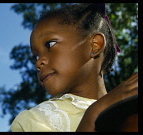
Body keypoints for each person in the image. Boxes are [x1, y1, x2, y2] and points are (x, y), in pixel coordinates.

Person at [10, 3, 138, 132]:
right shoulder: (33, 120)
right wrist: (94, 113)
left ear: (95, 45)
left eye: (50, 45)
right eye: (36, 57)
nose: (38, 63)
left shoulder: (130, 110)